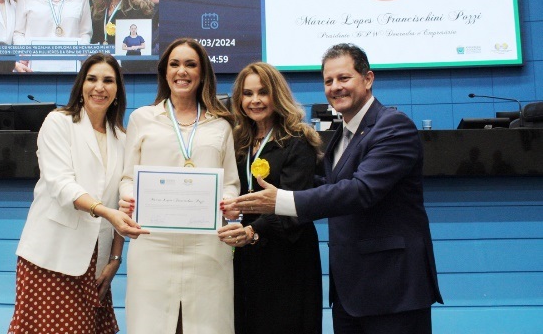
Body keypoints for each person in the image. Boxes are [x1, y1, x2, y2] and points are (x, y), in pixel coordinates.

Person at [227, 43, 443, 334]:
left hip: (392, 287)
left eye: (344, 78)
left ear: (367, 79)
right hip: (351, 291)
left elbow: (360, 190)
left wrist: (283, 199)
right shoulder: (343, 133)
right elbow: (329, 186)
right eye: (328, 81)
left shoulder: (393, 126)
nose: (335, 87)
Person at [7, 53, 149, 333]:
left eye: (108, 81)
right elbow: (61, 184)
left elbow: (125, 200)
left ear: (118, 91)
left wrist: (115, 259)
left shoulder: (122, 137)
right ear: (81, 86)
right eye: (92, 79)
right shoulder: (58, 122)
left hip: (97, 262)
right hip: (50, 257)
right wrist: (105, 211)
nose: (100, 87)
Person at [118, 38, 240, 333]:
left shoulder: (221, 124)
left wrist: (228, 203)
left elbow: (231, 183)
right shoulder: (142, 118)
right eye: (175, 64)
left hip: (207, 248)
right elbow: (127, 178)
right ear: (164, 72)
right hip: (153, 245)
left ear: (202, 73)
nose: (181, 71)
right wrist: (129, 199)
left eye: (190, 64)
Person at [217, 62, 323, 334]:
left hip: (288, 252)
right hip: (247, 252)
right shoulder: (238, 141)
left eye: (262, 92)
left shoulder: (298, 139)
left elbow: (295, 205)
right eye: (247, 93)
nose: (255, 101)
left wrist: (253, 230)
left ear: (277, 95)